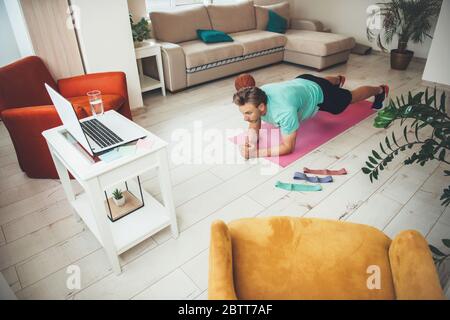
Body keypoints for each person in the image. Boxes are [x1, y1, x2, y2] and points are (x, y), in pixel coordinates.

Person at [232, 73, 389, 159]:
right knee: (322, 82)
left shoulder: (284, 112)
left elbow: (288, 147)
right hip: (303, 79)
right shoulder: (257, 95)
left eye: (248, 113)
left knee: (351, 97)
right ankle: (337, 79)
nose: (245, 118)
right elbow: (254, 122)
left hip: (321, 94)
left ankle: (380, 90)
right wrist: (250, 142)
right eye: (243, 113)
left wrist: (256, 153)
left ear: (261, 106)